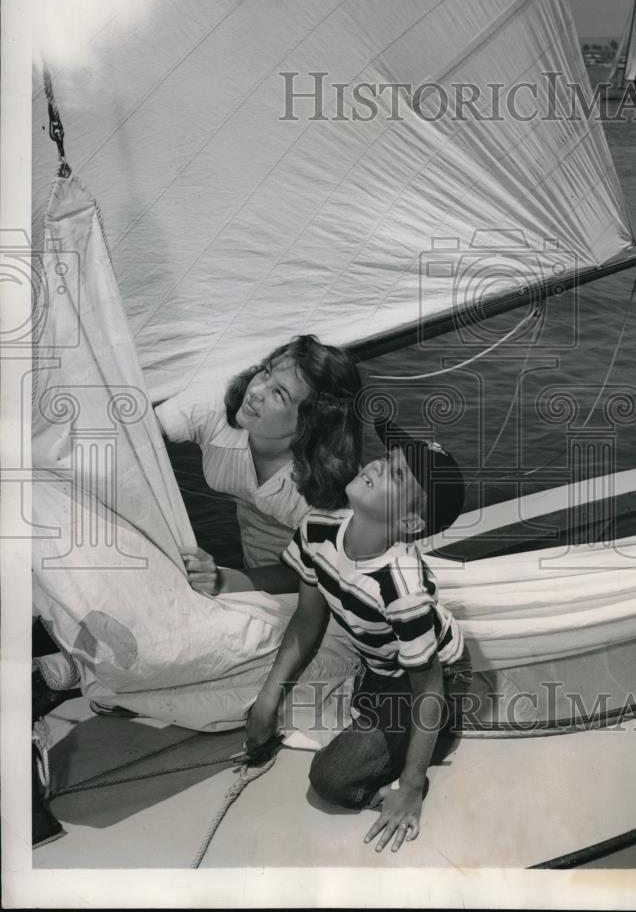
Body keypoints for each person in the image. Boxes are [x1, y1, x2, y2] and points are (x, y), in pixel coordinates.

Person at [243, 421, 472, 854]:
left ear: (410, 521)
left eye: (398, 474)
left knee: (330, 778)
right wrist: (268, 699)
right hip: (383, 664)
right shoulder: (317, 529)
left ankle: (418, 742)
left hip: (434, 679)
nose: (378, 465)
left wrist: (409, 787)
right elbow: (308, 622)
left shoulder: (401, 586)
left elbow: (429, 689)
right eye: (387, 459)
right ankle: (380, 712)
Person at [155, 334, 363, 594]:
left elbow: (319, 574)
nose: (254, 392)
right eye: (266, 372)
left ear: (310, 421)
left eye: (280, 394)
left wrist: (222, 581)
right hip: (249, 572)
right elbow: (135, 435)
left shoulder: (328, 487)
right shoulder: (216, 407)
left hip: (313, 593)